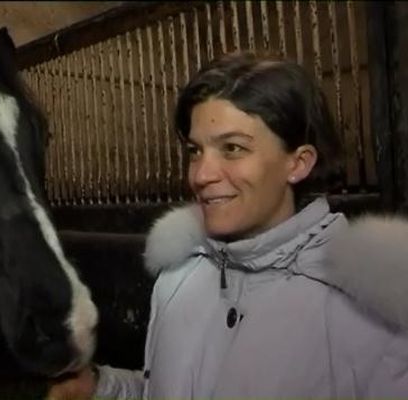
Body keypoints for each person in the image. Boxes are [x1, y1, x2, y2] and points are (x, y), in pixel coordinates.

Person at [48, 51, 408, 399]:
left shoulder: (370, 311)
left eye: (233, 148)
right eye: (195, 151)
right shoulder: (178, 277)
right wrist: (101, 388)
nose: (201, 175)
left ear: (298, 163)